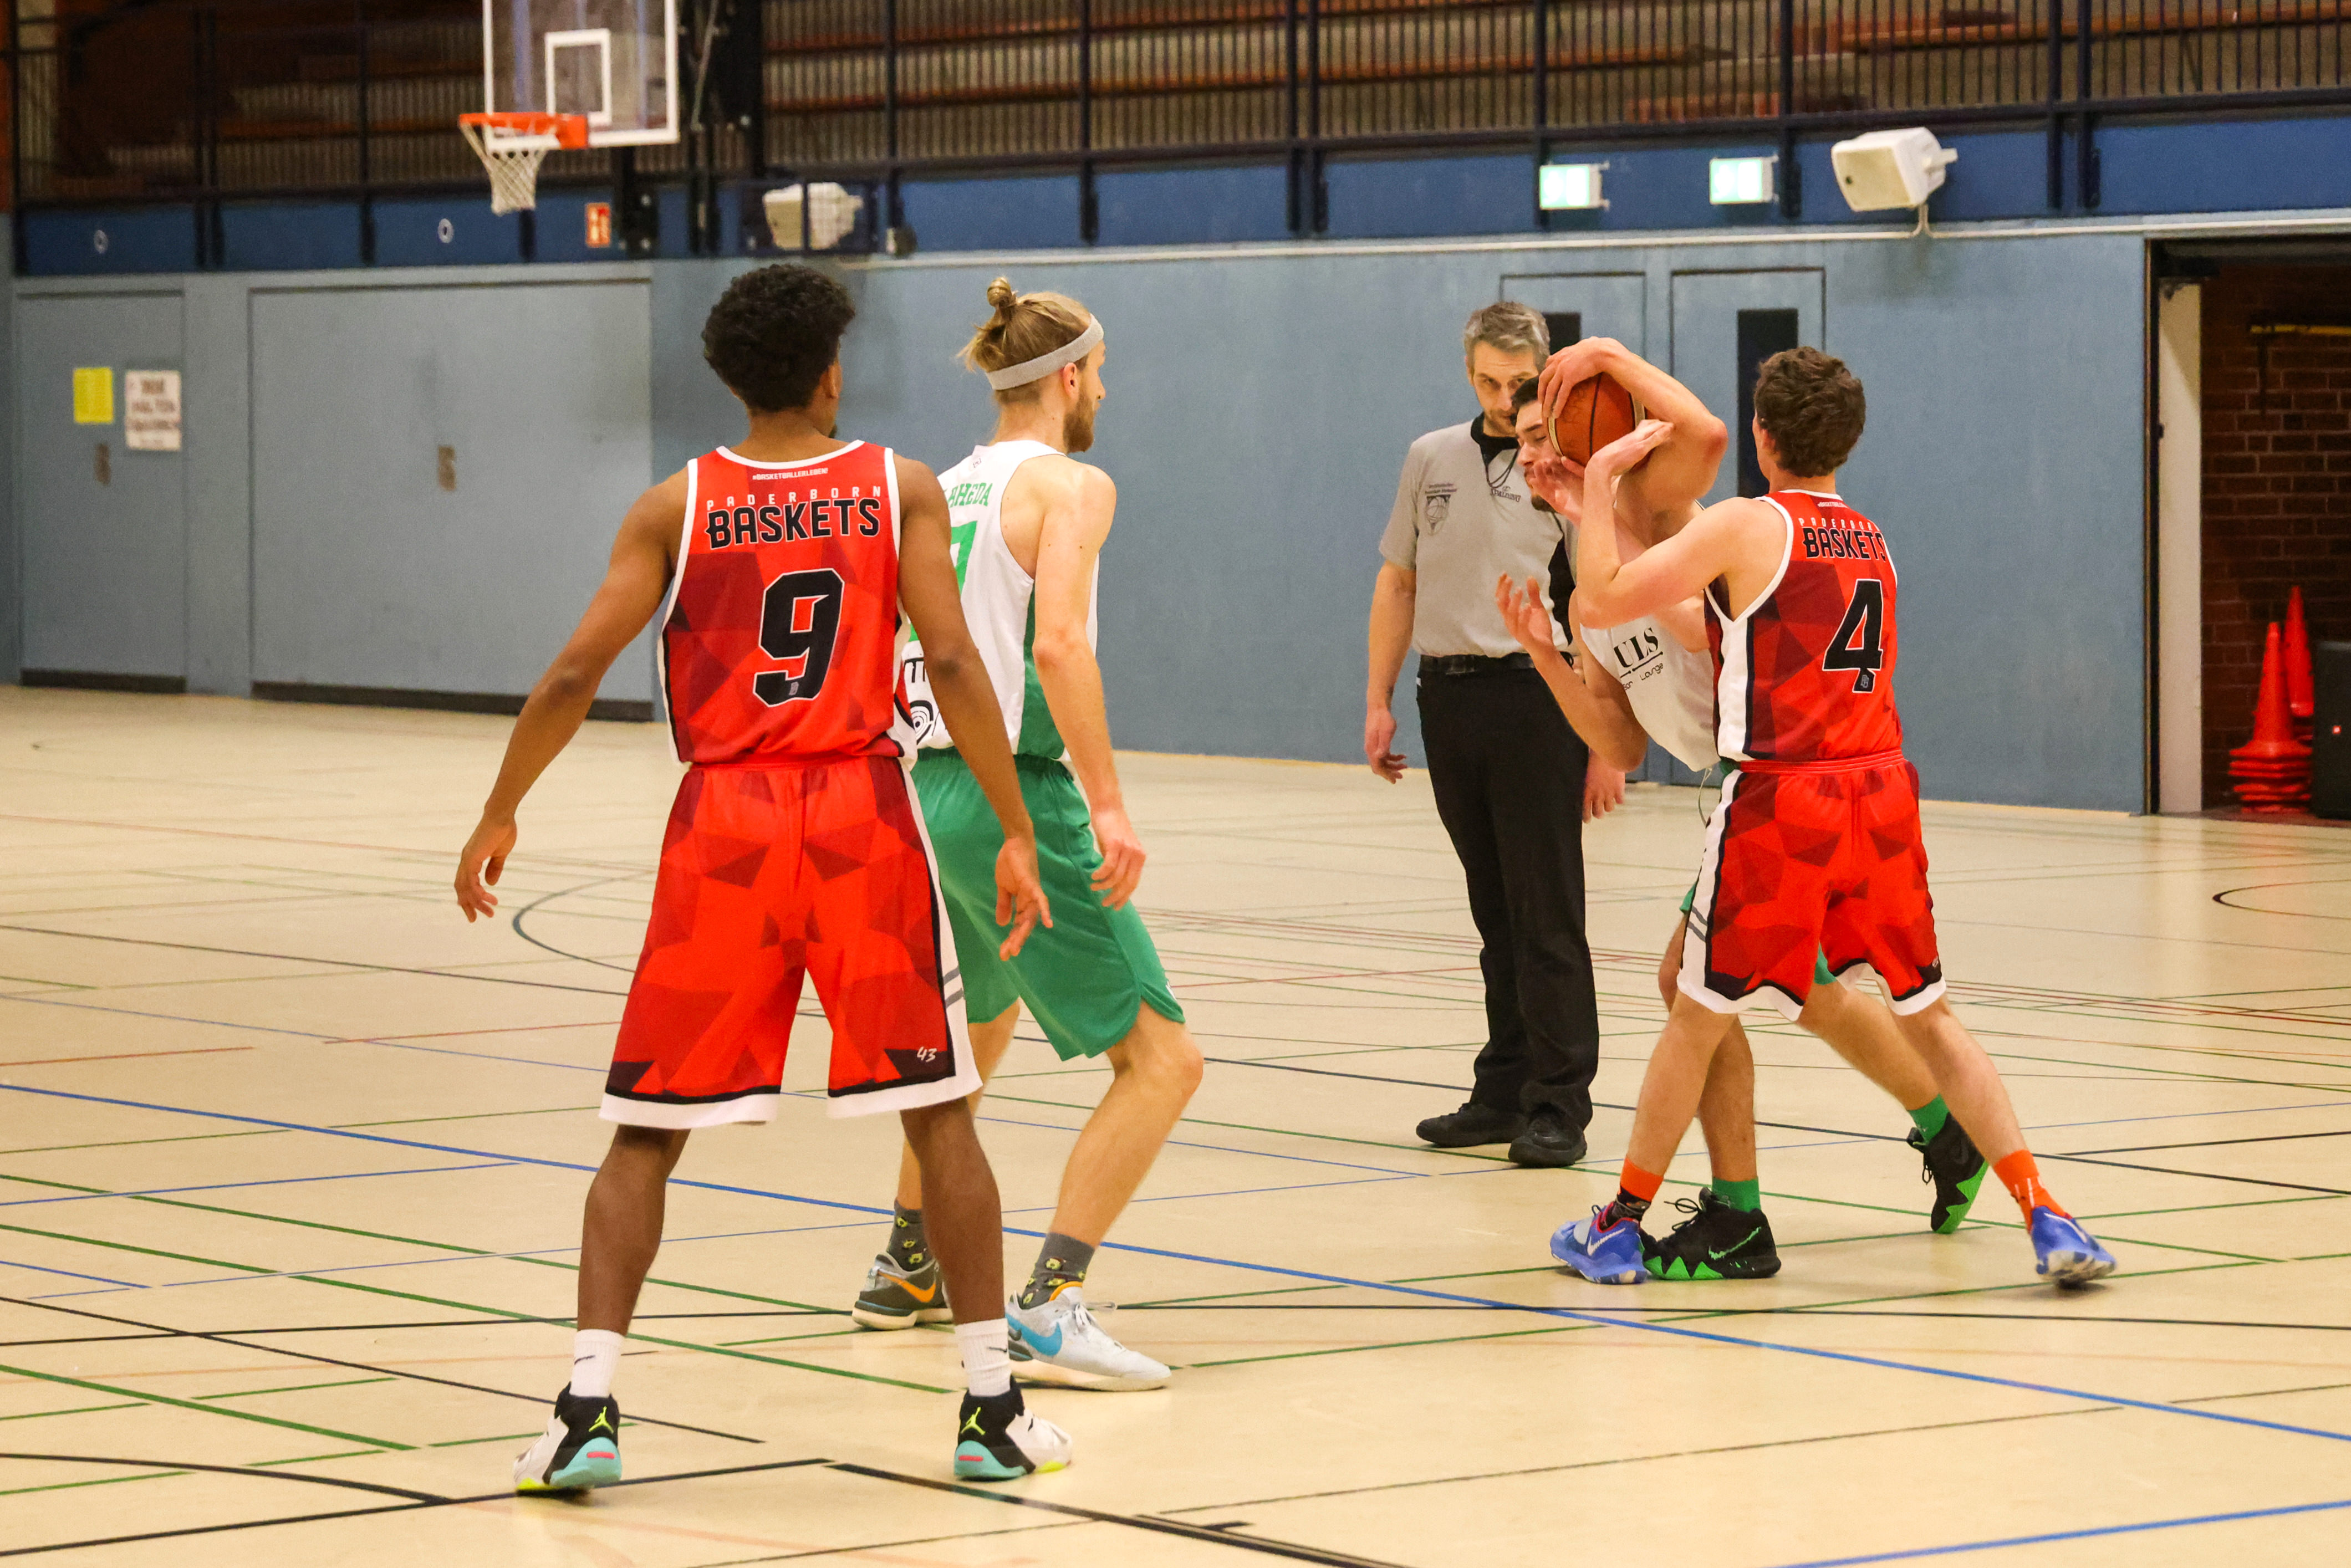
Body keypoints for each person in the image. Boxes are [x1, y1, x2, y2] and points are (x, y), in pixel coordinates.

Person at [454, 264, 1075, 1491]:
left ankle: (584, 1408)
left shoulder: (673, 505)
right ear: (831, 373)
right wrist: (1012, 825)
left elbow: (574, 672)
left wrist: (500, 806)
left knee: (646, 1127)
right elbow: (953, 659)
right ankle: (991, 1408)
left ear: (732, 382)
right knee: (939, 1109)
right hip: (859, 817)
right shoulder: (894, 487)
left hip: (724, 827)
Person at [1543, 348, 2117, 1288]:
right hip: (1880, 794)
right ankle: (2044, 1209)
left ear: (1762, 435)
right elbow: (1702, 620)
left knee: (1693, 1014)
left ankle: (1619, 1223)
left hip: (1784, 799)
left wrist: (1601, 480)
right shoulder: (1868, 537)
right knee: (1929, 1014)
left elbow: (1606, 597)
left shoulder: (1744, 524)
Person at [862, 278, 1202, 1392]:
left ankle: (909, 1260)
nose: (1105, 392)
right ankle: (1051, 1303)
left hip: (924, 788)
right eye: (1100, 374)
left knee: (984, 1020)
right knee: (1163, 1060)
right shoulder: (1073, 484)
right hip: (1017, 793)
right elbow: (1058, 646)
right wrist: (1106, 803)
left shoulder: (939, 486)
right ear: (1068, 377)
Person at [1366, 302, 1621, 1168]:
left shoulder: (1568, 469)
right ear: (1468, 373)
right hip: (1448, 694)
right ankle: (1501, 1090)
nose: (1501, 398)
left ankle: (1559, 1104)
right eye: (1486, 381)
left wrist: (1603, 738)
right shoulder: (1429, 456)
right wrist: (1378, 698)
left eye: (1517, 383)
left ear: (1542, 377)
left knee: (1545, 911)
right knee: (1493, 909)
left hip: (1536, 697)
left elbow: (1598, 604)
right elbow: (1398, 581)